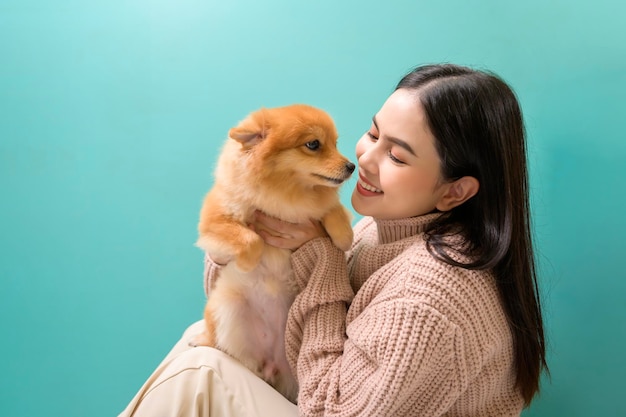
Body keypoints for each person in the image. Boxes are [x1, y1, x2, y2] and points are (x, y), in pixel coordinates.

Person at [119, 63, 548, 417]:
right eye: (374, 133)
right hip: (325, 392)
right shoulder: (377, 231)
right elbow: (242, 303)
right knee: (202, 338)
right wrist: (252, 233)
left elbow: (332, 410)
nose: (363, 158)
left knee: (203, 373)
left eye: (397, 156)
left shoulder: (429, 297)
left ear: (455, 190)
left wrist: (319, 260)